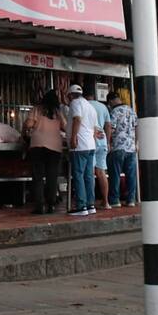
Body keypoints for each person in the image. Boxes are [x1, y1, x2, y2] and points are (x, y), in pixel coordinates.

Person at [22, 90, 66, 214]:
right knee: (52, 176)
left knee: (38, 177)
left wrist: (24, 131)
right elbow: (65, 125)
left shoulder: (36, 109)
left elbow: (29, 124)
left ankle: (39, 206)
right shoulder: (58, 112)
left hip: (38, 145)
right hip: (55, 147)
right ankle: (51, 205)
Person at [65, 84, 97, 216]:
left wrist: (73, 137)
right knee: (88, 176)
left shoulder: (75, 103)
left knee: (78, 175)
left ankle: (81, 206)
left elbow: (77, 119)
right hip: (90, 144)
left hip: (80, 145)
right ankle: (90, 205)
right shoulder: (90, 106)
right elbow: (95, 128)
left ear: (71, 95)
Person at [106, 91, 139, 207]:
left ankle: (115, 200)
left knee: (115, 174)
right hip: (131, 147)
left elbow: (111, 128)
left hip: (118, 147)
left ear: (110, 101)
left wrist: (108, 142)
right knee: (131, 175)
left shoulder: (114, 112)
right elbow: (136, 127)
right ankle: (131, 200)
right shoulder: (131, 110)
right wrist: (136, 143)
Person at [84, 88, 112, 210]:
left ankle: (90, 202)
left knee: (90, 172)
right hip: (102, 141)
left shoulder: (84, 105)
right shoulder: (103, 107)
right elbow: (108, 126)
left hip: (90, 142)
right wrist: (108, 141)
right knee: (101, 173)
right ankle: (106, 202)